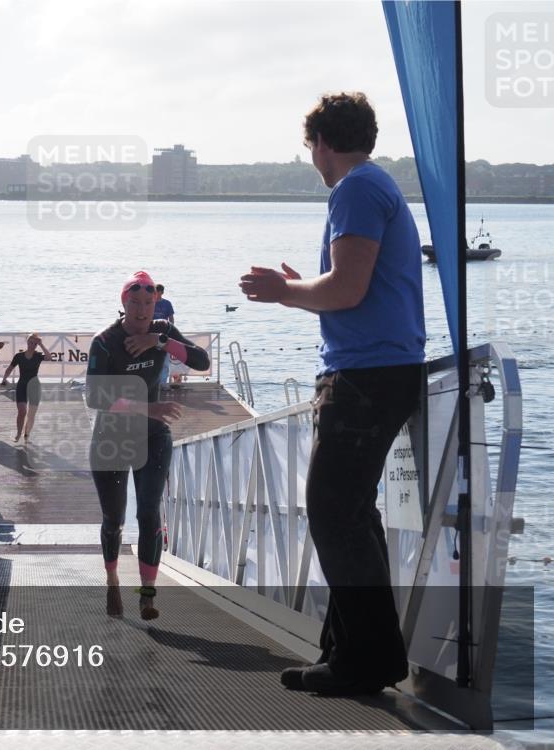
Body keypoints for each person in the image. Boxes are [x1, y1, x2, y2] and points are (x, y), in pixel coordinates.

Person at [239, 92, 425, 697]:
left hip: (365, 378)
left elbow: (346, 289)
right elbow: (351, 288)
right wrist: (302, 288)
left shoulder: (356, 189)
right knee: (350, 514)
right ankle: (350, 652)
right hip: (378, 371)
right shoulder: (374, 186)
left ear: (323, 142)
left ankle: (367, 660)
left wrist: (282, 292)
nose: (312, 159)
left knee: (333, 512)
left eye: (311, 147)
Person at [86, 271, 210, 620]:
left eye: (148, 303)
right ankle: (112, 580)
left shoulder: (162, 332)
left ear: (156, 303)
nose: (141, 310)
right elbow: (95, 396)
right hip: (110, 438)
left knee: (149, 513)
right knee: (113, 519)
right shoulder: (105, 341)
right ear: (123, 303)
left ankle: (147, 595)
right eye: (134, 303)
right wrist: (147, 406)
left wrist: (160, 342)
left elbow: (201, 362)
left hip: (153, 436)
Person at [0, 333, 52, 442]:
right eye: (30, 342)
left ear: (36, 344)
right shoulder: (19, 356)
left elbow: (49, 357)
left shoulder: (38, 355)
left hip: (34, 386)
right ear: (27, 342)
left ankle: (26, 434)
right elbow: (10, 368)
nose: (31, 345)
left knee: (31, 414)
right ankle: (19, 433)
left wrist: (41, 344)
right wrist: (4, 379)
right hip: (22, 385)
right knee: (22, 411)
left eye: (34, 343)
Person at [153, 284, 175, 388]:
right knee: (151, 360)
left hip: (164, 336)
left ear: (161, 292)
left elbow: (171, 318)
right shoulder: (150, 303)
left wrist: (171, 331)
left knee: (165, 361)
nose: (155, 294)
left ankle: (163, 383)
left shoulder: (167, 304)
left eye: (157, 292)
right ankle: (153, 383)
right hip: (151, 335)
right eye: (154, 292)